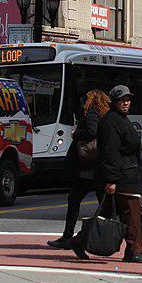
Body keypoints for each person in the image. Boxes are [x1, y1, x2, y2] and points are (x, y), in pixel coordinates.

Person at [77, 84, 142, 264]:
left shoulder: (121, 119)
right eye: (121, 100)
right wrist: (111, 180)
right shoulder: (111, 121)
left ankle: (78, 242)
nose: (126, 103)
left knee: (107, 214)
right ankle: (134, 251)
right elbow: (110, 152)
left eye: (128, 99)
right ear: (114, 102)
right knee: (131, 215)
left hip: (126, 174)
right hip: (122, 177)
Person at [47, 89, 109, 249]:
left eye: (86, 99)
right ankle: (105, 237)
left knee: (74, 200)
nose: (83, 102)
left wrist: (76, 133)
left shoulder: (92, 114)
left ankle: (69, 237)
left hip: (87, 169)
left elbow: (91, 132)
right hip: (98, 168)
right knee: (104, 205)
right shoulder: (104, 115)